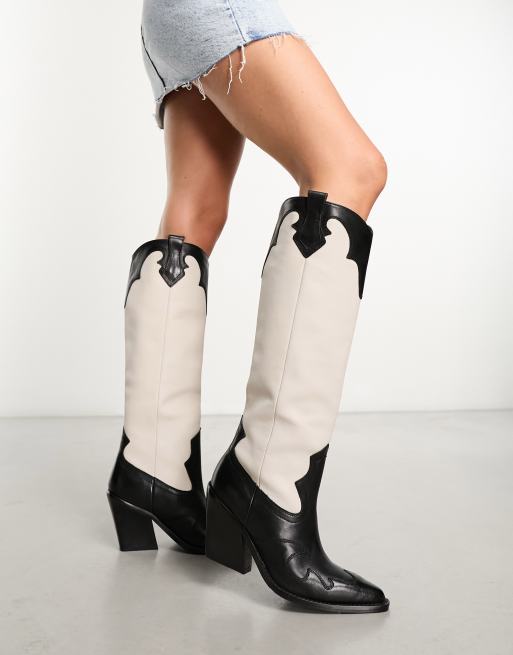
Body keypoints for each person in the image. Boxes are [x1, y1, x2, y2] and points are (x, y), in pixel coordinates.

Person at [107, 0, 389, 613]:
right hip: (220, 9)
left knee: (196, 213)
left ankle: (153, 471)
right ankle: (269, 483)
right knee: (351, 169)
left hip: (171, 19)